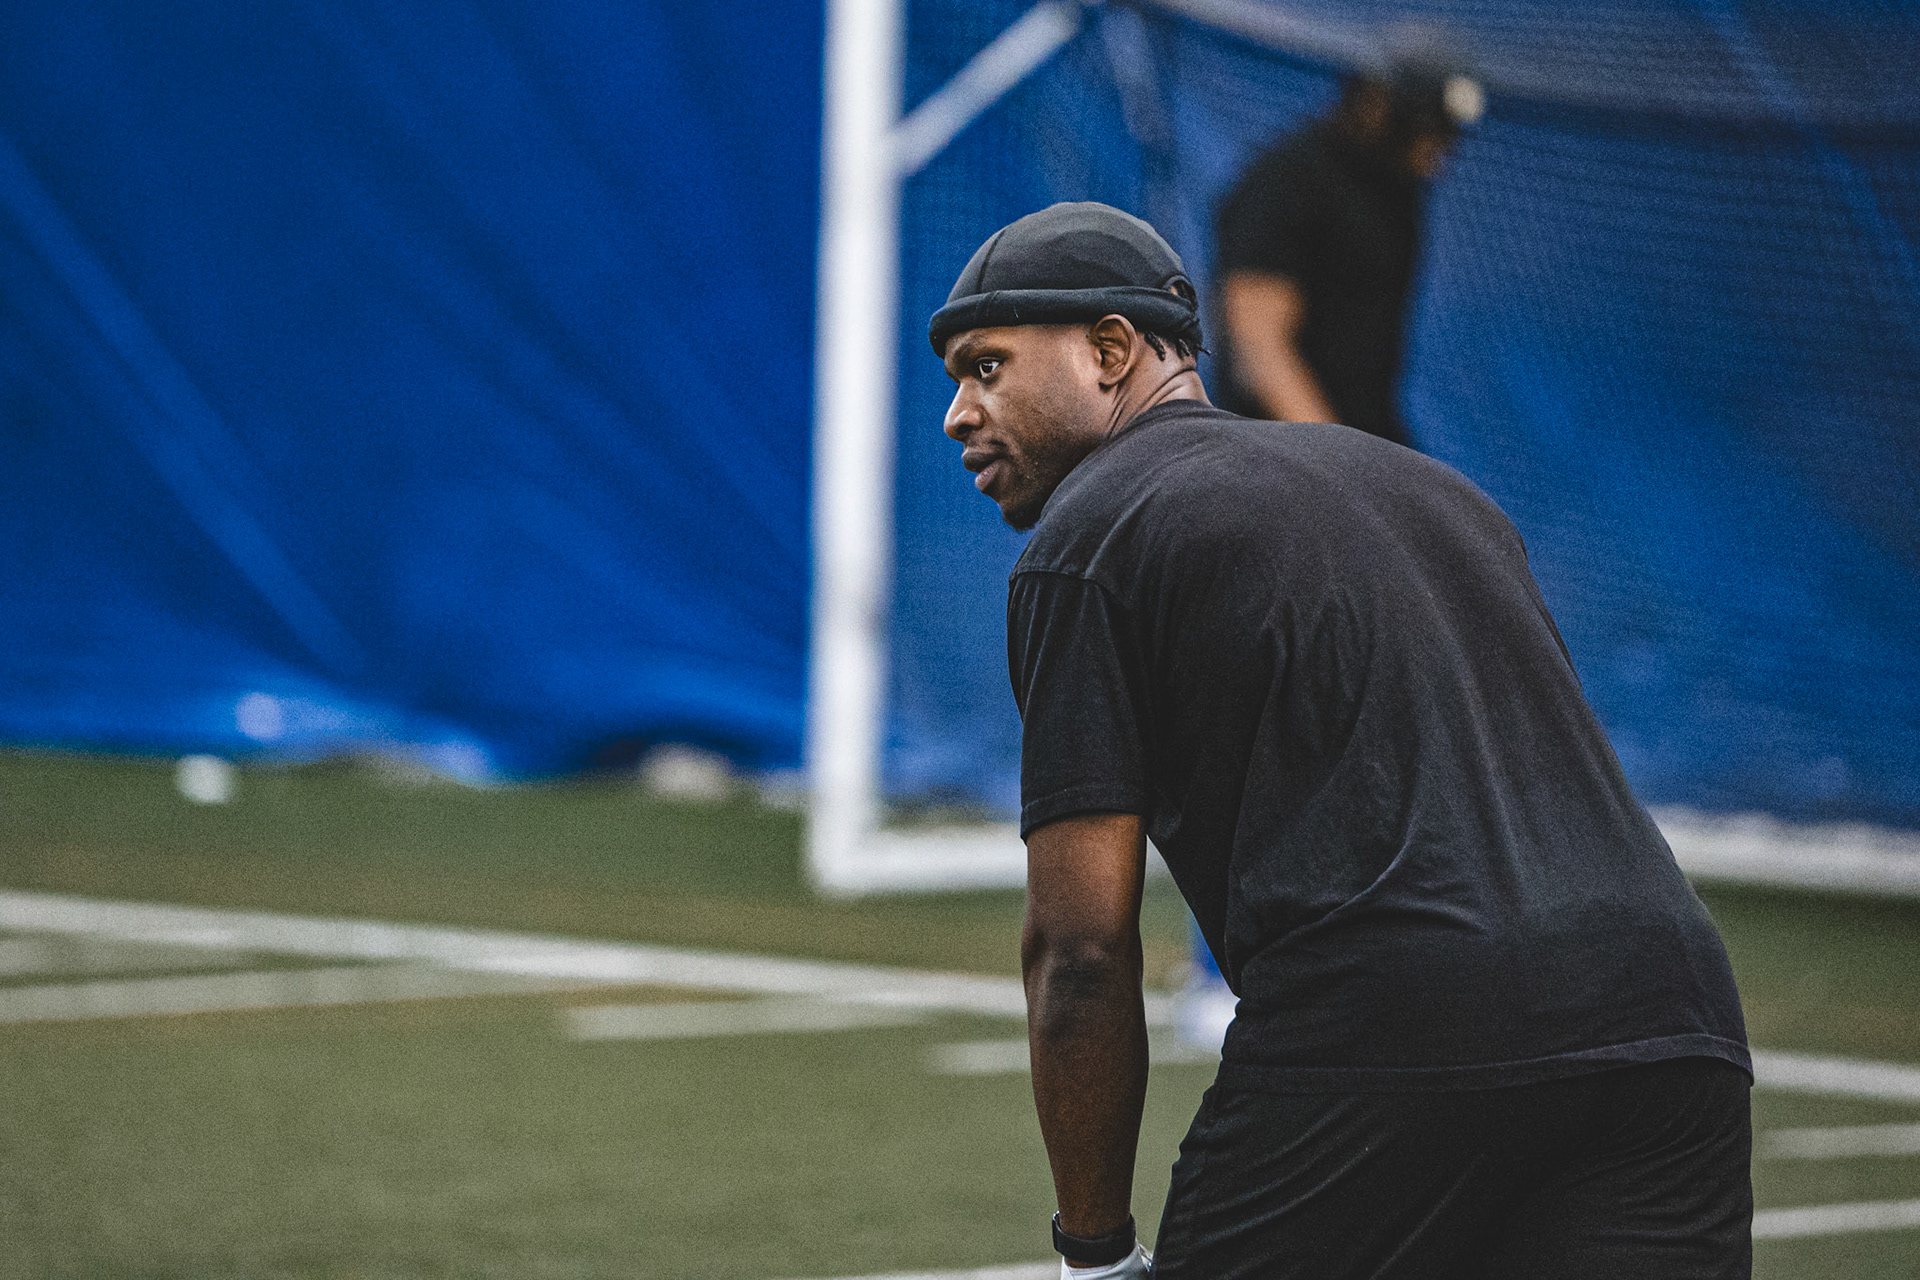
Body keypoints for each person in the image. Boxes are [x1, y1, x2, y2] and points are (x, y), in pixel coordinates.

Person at [929, 202, 1751, 1279]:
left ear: (1112, 350)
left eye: (986, 367)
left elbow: (1079, 950)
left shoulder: (1089, 539)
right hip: (1674, 1011)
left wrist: (1094, 1251)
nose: (958, 413)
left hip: (1396, 1020)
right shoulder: (1441, 492)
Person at [1213, 57, 1483, 446]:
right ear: (1376, 106)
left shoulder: (1398, 196)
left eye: (1446, 139)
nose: (1436, 160)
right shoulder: (1286, 182)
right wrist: (1340, 461)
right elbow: (1261, 353)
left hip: (1362, 440)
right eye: (1426, 135)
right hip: (1277, 452)